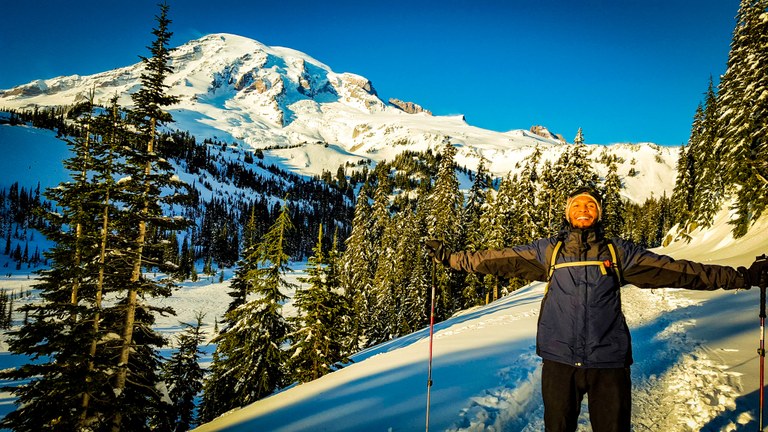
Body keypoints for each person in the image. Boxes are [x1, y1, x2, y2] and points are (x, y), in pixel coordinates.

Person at [426, 186, 768, 432]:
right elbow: (498, 259)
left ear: (599, 213)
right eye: (577, 206)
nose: (584, 210)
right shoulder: (551, 252)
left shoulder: (619, 253)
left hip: (609, 362)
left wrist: (742, 277)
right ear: (568, 214)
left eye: (591, 205)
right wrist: (451, 259)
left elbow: (679, 270)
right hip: (559, 362)